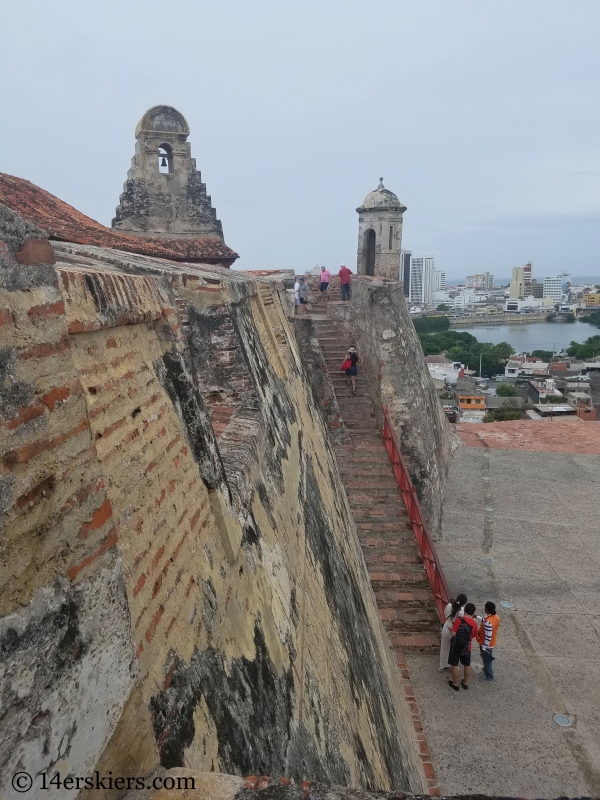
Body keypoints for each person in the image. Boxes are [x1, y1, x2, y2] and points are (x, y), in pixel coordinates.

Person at [448, 602, 478, 691]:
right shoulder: (474, 624)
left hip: (456, 646)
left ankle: (455, 683)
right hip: (467, 647)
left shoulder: (459, 620)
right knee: (467, 664)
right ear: (473, 613)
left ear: (464, 610)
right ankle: (465, 683)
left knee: (454, 664)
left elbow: (453, 633)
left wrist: (450, 629)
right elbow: (474, 636)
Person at [439, 594, 467, 672]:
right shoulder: (462, 611)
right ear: (464, 603)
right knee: (454, 649)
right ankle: (453, 666)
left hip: (447, 626)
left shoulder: (449, 606)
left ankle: (442, 666)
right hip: (455, 630)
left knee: (444, 647)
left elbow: (445, 615)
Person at [476, 601, 500, 682]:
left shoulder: (488, 622)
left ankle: (489, 676)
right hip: (492, 643)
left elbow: (488, 637)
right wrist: (477, 617)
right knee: (486, 660)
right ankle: (487, 670)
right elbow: (485, 621)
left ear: (487, 609)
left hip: (486, 644)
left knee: (487, 660)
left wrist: (484, 647)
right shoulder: (495, 617)